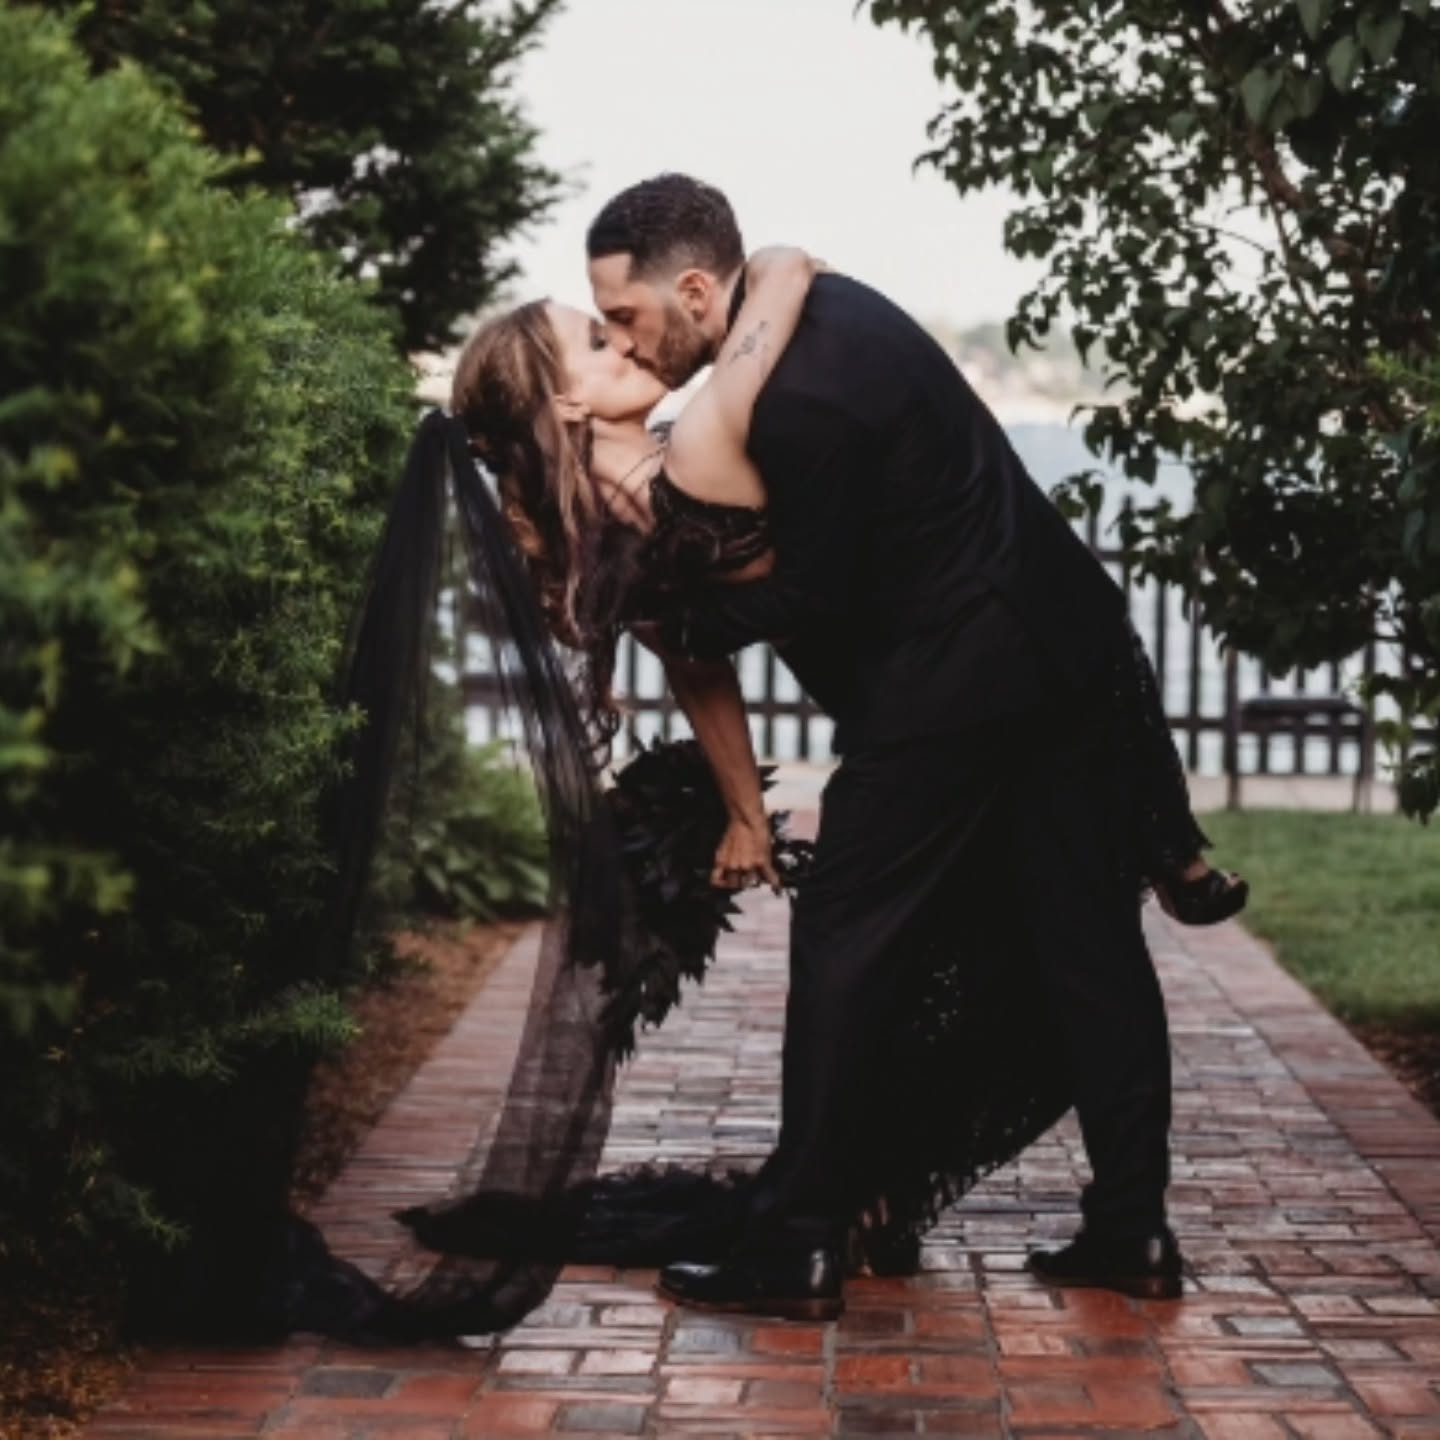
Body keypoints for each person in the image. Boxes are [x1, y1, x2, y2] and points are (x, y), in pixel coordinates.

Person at [572, 172, 1248, 1318]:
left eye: (627, 318)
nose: (626, 345)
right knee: (1089, 948)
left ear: (694, 290)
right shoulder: (827, 313)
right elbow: (790, 270)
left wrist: (679, 621)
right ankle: (1133, 1228)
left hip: (961, 682)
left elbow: (815, 588)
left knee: (847, 936)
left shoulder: (793, 400)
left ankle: (794, 1247)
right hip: (1067, 655)